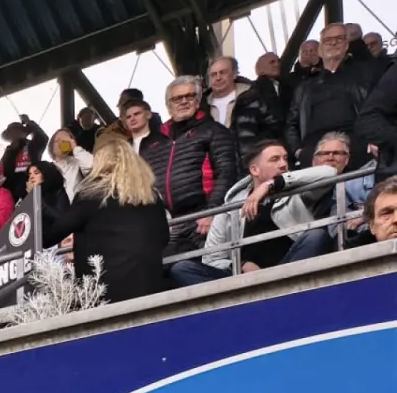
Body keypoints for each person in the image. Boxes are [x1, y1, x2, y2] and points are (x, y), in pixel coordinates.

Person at [189, 137, 338, 284]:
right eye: (275, 159)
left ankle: (280, 287)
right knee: (183, 268)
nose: (283, 164)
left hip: (288, 269)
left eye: (285, 158)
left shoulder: (297, 190)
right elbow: (212, 259)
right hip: (244, 280)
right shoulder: (231, 206)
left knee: (316, 235)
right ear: (255, 170)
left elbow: (330, 172)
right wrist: (241, 265)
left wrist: (271, 184)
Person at [44, 133, 172, 302]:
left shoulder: (91, 195)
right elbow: (164, 238)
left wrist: (39, 206)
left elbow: (50, 236)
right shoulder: (151, 198)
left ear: (101, 163)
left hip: (104, 295)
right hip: (149, 289)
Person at [146, 74, 241, 256]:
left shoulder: (214, 131)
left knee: (212, 265)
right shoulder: (154, 143)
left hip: (202, 218)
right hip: (168, 223)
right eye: (177, 98)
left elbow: (226, 174)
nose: (183, 101)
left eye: (189, 96)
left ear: (198, 101)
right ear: (168, 105)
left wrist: (212, 212)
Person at [288, 23, 371, 165]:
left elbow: (378, 111)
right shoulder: (304, 87)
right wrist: (298, 151)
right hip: (314, 150)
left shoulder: (364, 76)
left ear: (347, 45)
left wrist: (373, 141)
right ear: (319, 50)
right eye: (327, 40)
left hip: (357, 147)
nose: (333, 43)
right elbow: (291, 124)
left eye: (339, 39)